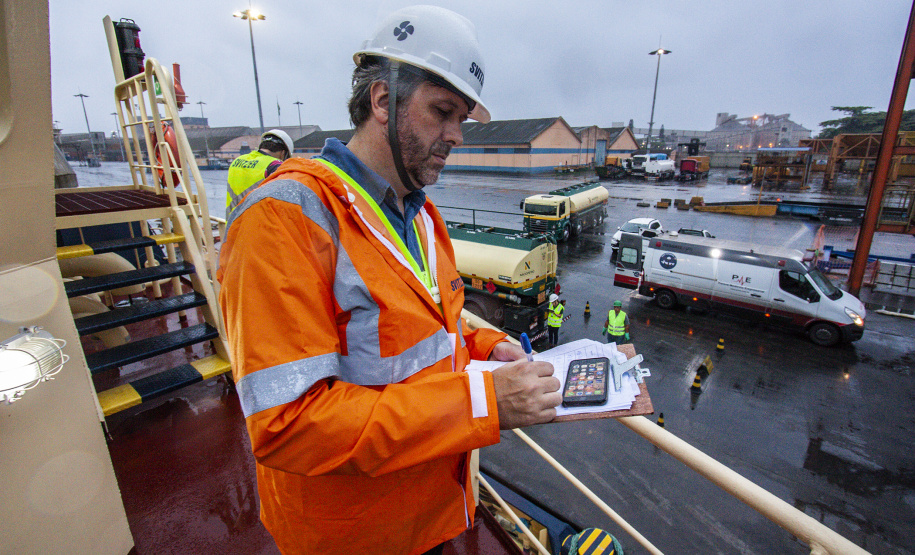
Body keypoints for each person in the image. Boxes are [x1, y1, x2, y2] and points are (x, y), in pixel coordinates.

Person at [217, 6, 561, 555]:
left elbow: (427, 331)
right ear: (382, 100)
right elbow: (289, 424)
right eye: (442, 112)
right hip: (350, 536)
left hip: (425, 517)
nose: (456, 136)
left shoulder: (420, 217)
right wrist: (483, 402)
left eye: (462, 119)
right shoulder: (283, 219)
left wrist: (493, 349)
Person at [224, 128, 294, 218]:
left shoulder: (237, 161)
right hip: (255, 226)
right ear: (283, 153)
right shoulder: (274, 165)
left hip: (232, 224)